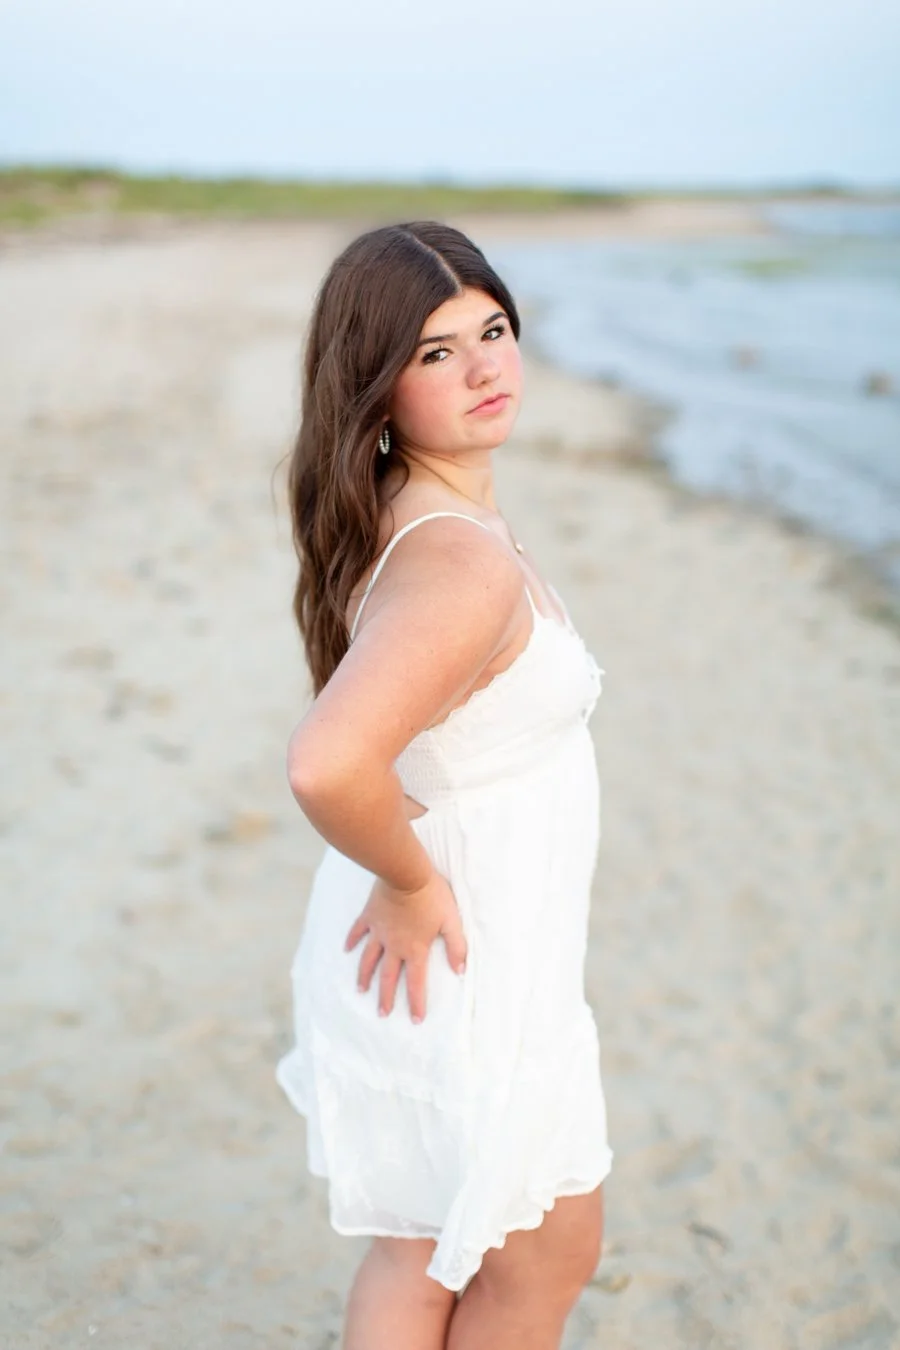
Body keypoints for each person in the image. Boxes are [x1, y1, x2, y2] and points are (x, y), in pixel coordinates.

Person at [275, 220, 612, 1350]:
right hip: (459, 957)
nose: (483, 368)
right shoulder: (459, 559)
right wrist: (411, 884)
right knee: (544, 1256)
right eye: (435, 352)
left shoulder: (404, 509)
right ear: (376, 382)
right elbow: (327, 762)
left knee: (419, 1250)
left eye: (494, 330)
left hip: (433, 957)